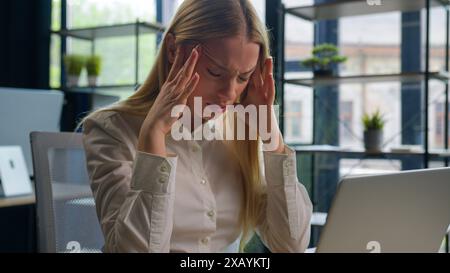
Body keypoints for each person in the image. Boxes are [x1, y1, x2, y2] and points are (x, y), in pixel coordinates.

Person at [81, 0, 312, 253]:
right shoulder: (111, 129)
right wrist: (153, 138)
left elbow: (291, 245)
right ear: (172, 49)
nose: (229, 93)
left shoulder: (240, 130)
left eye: (243, 77)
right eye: (215, 72)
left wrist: (271, 135)